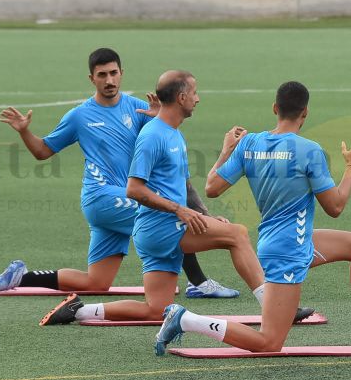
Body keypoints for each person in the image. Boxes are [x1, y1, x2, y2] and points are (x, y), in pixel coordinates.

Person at [154, 81, 351, 355]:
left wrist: (226, 152)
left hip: (286, 241)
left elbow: (211, 187)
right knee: (269, 342)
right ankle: (186, 320)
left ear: (275, 108)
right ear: (305, 113)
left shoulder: (249, 143)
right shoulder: (309, 151)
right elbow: (335, 207)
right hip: (289, 251)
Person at [39, 71, 312, 326]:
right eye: (194, 92)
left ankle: (79, 310)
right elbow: (134, 189)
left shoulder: (173, 133)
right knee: (237, 235)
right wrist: (179, 211)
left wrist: (206, 211)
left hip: (157, 232)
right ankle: (277, 309)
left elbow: (185, 188)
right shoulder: (153, 135)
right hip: (161, 227)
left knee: (156, 310)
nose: (197, 98)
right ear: (181, 98)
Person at [0, 48, 239, 298]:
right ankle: (198, 282)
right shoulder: (79, 116)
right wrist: (24, 131)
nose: (109, 80)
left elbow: (166, 141)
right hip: (102, 197)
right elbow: (42, 151)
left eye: (113, 73)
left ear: (121, 73)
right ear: (91, 78)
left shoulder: (139, 108)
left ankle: (21, 276)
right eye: (102, 75)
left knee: (96, 282)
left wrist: (156, 118)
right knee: (165, 216)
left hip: (120, 199)